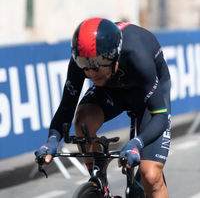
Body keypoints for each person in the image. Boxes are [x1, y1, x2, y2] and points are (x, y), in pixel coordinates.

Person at [35, 17, 171, 198]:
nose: (91, 73)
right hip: (112, 88)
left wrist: (136, 143)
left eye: (98, 65)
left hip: (147, 94)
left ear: (114, 56)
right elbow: (66, 108)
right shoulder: (83, 58)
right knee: (83, 121)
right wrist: (52, 141)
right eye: (85, 65)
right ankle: (100, 183)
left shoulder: (138, 55)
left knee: (150, 176)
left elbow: (159, 117)